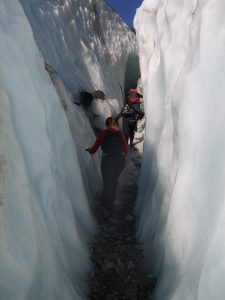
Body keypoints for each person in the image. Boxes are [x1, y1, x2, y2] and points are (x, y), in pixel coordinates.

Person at [86, 117, 128, 211]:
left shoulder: (104, 133)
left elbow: (95, 146)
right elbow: (125, 149)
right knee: (113, 179)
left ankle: (106, 205)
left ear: (107, 125)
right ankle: (112, 199)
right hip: (120, 161)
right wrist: (120, 156)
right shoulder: (120, 134)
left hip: (107, 160)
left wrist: (90, 151)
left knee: (107, 182)